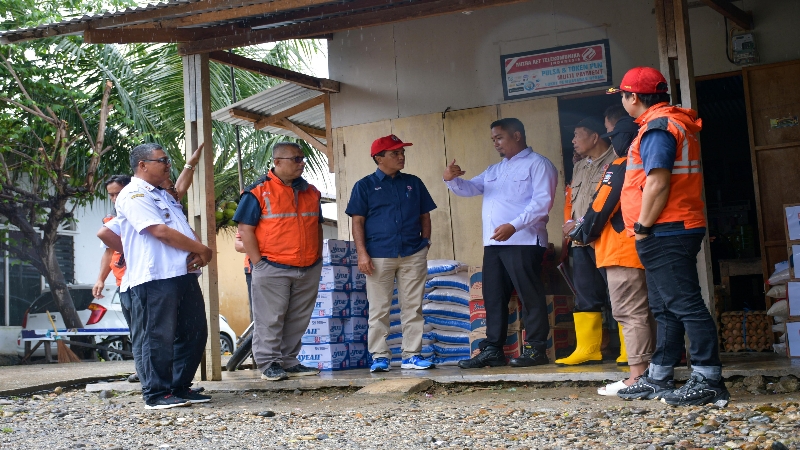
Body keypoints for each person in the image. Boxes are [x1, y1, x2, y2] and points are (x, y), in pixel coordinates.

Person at [613, 66, 729, 407]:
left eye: (622, 95)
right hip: (673, 224)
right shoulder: (672, 123)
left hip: (666, 227)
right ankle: (659, 376)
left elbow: (658, 181)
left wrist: (644, 227)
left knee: (684, 303)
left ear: (633, 97)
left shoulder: (658, 128)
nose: (622, 101)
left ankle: (709, 379)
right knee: (664, 306)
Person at [106, 142, 213, 410]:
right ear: (142, 165)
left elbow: (181, 226)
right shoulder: (133, 194)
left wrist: (198, 252)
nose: (168, 165)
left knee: (194, 331)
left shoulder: (163, 194)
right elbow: (159, 231)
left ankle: (178, 386)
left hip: (182, 273)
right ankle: (155, 393)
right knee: (156, 336)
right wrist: (202, 249)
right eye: (162, 160)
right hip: (154, 277)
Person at [444, 118, 557, 368]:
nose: (496, 143)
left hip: (524, 241)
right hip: (494, 243)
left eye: (500, 137)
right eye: (493, 139)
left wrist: (514, 226)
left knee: (530, 294)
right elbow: (470, 188)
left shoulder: (538, 164)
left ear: (517, 135)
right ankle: (493, 349)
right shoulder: (495, 169)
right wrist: (451, 179)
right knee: (493, 296)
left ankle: (536, 349)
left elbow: (541, 204)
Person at [571, 113, 655, 396]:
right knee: (644, 311)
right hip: (638, 248)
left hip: (619, 249)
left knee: (629, 313)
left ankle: (638, 376)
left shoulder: (619, 166)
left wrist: (580, 232)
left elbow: (599, 208)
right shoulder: (648, 165)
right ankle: (652, 371)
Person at [345, 134, 437, 373]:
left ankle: (411, 355)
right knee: (379, 309)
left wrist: (425, 242)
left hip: (412, 253)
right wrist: (362, 254)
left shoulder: (413, 183)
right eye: (395, 153)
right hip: (378, 255)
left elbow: (425, 215)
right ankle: (380, 357)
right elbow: (358, 222)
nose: (401, 156)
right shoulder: (364, 186)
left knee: (413, 307)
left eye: (402, 152)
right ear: (378, 158)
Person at [233, 142, 324, 382]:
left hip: (308, 266)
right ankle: (268, 363)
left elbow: (317, 226)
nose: (301, 163)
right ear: (277, 162)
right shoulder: (257, 192)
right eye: (295, 159)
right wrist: (259, 263)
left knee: (298, 318)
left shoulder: (312, 192)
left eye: (302, 158)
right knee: (270, 318)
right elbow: (245, 229)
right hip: (272, 266)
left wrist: (318, 259)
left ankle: (289, 361)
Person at [557, 118, 616, 366]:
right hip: (580, 242)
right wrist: (569, 226)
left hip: (607, 239)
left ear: (594, 137)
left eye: (577, 135)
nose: (572, 141)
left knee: (619, 295)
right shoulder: (580, 166)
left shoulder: (616, 159)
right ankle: (589, 349)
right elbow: (574, 199)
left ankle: (629, 350)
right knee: (585, 296)